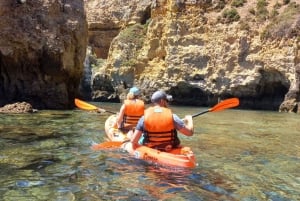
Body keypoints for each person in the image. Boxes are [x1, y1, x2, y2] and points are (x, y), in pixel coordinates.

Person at [123, 90, 194, 152]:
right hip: (169, 147)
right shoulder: (173, 117)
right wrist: (189, 119)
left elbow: (134, 141)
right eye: (167, 101)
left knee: (133, 140)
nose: (168, 103)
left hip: (150, 148)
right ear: (162, 101)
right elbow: (189, 133)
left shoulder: (143, 118)